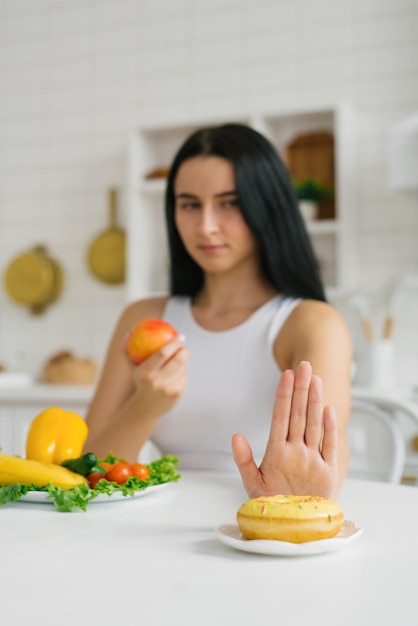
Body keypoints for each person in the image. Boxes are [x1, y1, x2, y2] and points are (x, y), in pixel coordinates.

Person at [84, 123, 352, 499]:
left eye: (230, 202)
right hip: (157, 532)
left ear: (267, 206)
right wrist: (146, 407)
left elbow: (325, 466)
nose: (206, 227)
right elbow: (88, 469)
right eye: (190, 204)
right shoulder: (143, 319)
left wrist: (288, 502)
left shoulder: (310, 324)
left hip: (263, 527)